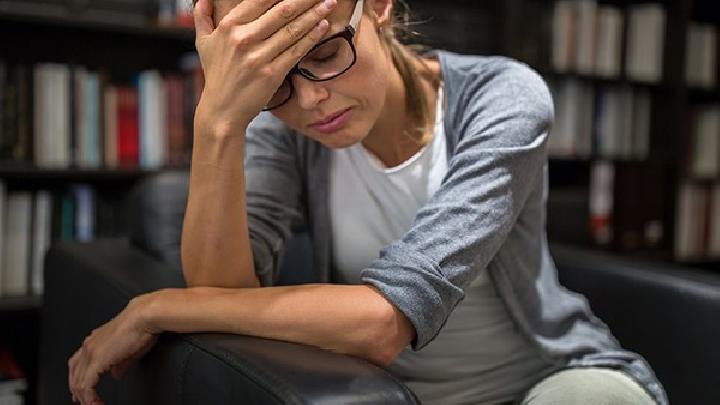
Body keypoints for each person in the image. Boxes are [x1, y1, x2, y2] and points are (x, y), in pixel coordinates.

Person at [67, 0, 668, 404]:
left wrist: (160, 307)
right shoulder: (282, 129)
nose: (312, 103)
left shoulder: (505, 98)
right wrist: (219, 120)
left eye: (326, 55)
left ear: (377, 6)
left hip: (549, 380)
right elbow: (225, 297)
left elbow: (386, 321)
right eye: (274, 82)